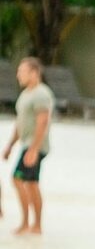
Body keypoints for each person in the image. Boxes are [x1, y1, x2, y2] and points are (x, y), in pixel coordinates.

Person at [6, 57, 53, 235]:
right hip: (26, 144)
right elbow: (20, 123)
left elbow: (43, 122)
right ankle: (29, 223)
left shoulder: (41, 94)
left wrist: (34, 148)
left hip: (34, 145)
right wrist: (10, 145)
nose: (18, 75)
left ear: (34, 73)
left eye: (22, 71)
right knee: (27, 182)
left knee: (25, 181)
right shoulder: (26, 94)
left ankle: (33, 224)